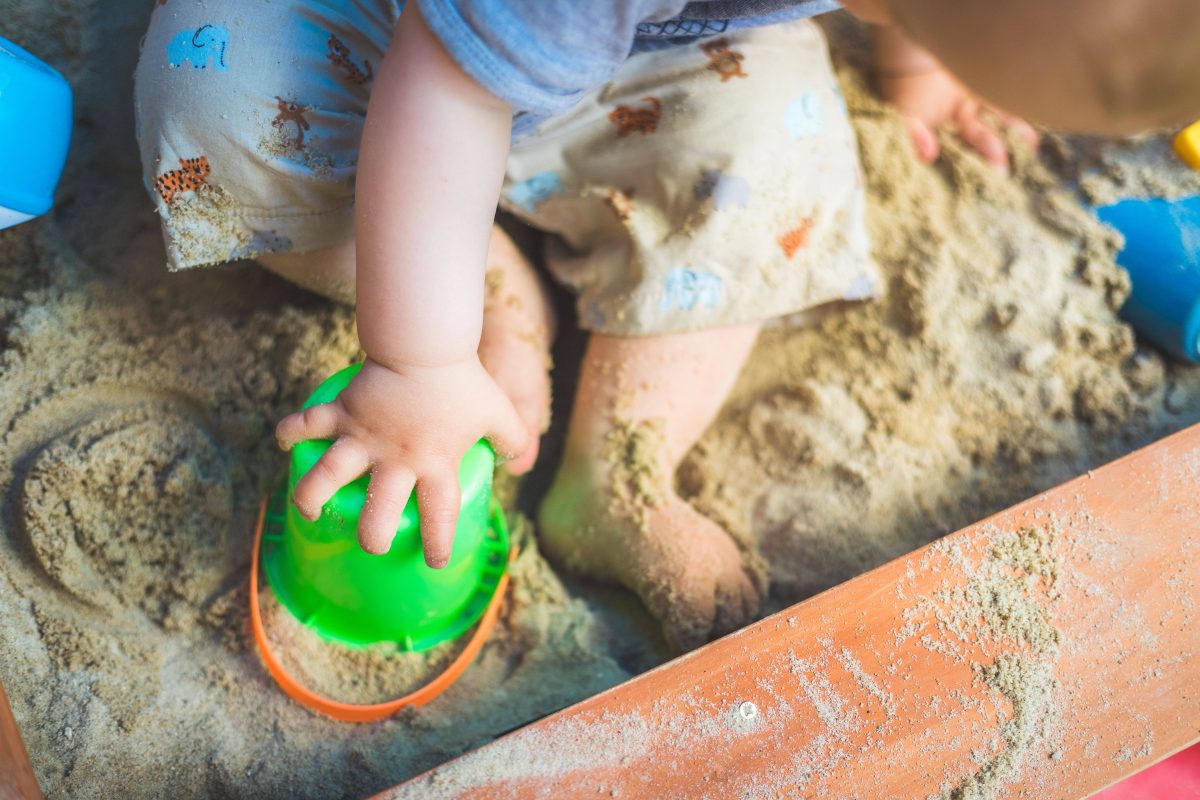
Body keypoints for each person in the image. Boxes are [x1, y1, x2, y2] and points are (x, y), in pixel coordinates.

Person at [134, 0, 1200, 650]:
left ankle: (621, 471)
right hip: (387, 40)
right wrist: (421, 359)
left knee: (784, 143)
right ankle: (486, 283)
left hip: (651, 49)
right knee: (215, 103)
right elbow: (446, 85)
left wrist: (920, 68)